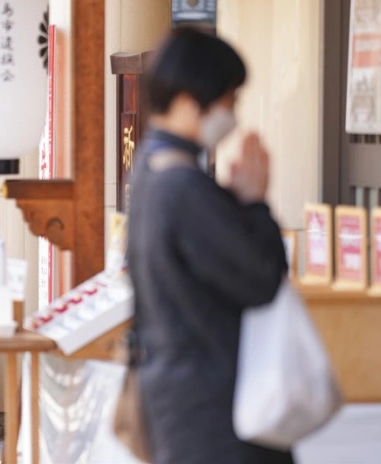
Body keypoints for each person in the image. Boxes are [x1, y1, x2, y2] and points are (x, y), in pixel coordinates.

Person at [127, 28, 292, 464]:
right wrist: (255, 203)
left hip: (177, 401)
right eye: (228, 101)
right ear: (188, 100)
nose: (233, 114)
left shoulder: (150, 169)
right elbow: (260, 279)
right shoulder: (184, 186)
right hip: (214, 412)